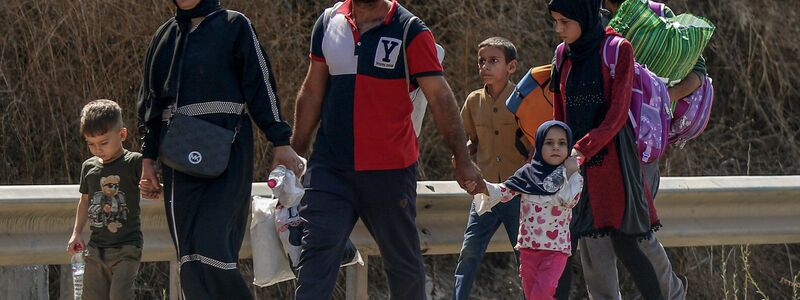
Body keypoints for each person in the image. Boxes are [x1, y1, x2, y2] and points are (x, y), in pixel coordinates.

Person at [290, 0, 483, 298]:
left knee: (402, 265)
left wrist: (461, 158)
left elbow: (440, 97)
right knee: (315, 255)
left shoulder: (410, 29)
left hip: (390, 171)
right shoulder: (329, 22)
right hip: (331, 169)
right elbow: (312, 91)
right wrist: (294, 155)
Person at [136, 0, 303, 298]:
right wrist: (148, 159)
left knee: (213, 248)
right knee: (189, 259)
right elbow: (150, 105)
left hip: (228, 154)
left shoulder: (235, 25)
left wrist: (280, 140)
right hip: (178, 160)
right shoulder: (164, 37)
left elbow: (260, 85)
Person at [573, 1, 709, 299]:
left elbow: (698, 72)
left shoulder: (658, 19)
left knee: (636, 229)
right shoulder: (588, 17)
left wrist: (658, 93)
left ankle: (671, 294)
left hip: (637, 147)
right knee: (593, 232)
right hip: (596, 145)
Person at [548, 0, 664, 299]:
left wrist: (580, 151)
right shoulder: (562, 54)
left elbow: (616, 115)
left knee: (626, 244)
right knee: (563, 243)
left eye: (564, 22)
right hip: (572, 162)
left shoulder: (617, 49)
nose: (558, 29)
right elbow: (559, 113)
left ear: (583, 17)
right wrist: (555, 152)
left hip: (611, 161)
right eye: (555, 21)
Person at [453, 36, 530, 300]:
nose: (485, 66)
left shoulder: (523, 100)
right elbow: (472, 141)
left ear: (511, 67)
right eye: (481, 61)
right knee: (470, 252)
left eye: (493, 61)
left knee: (525, 258)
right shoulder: (473, 102)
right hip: (484, 193)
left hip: (516, 192)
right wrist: (462, 159)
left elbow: (533, 143)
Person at [469, 121, 582, 300]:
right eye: (549, 142)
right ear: (538, 144)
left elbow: (569, 200)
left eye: (562, 143)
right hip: (528, 248)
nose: (555, 147)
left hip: (556, 249)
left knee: (542, 292)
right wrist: (483, 186)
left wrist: (570, 173)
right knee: (531, 295)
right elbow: (504, 192)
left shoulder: (571, 175)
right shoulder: (526, 174)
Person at [67, 99, 149, 300]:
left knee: (120, 295)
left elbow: (155, 187)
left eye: (103, 143)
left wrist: (153, 188)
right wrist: (76, 233)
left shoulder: (134, 162)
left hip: (127, 247)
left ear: (122, 134)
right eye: (91, 144)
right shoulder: (89, 167)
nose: (97, 149)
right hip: (96, 249)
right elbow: (85, 201)